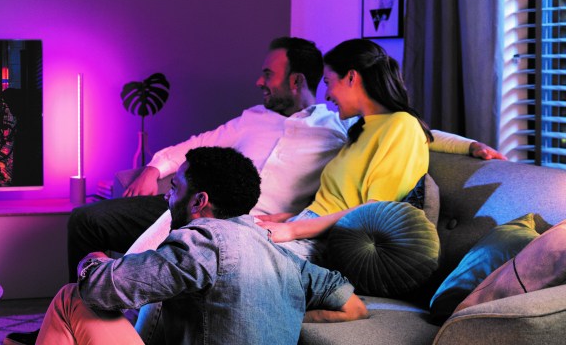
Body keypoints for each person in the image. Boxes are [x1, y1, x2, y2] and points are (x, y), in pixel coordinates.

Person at [65, 37, 504, 281]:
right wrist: (153, 168)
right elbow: (199, 143)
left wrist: (469, 146)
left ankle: (105, 294)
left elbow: (408, 134)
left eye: (268, 74)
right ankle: (91, 300)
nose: (259, 82)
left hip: (277, 227)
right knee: (96, 222)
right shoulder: (264, 119)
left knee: (196, 250)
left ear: (296, 81)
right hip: (222, 209)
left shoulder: (341, 127)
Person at [29, 147, 368, 345]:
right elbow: (353, 307)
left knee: (72, 296)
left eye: (174, 187)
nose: (168, 195)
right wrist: (285, 310)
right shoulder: (286, 258)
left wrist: (93, 261)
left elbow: (101, 290)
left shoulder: (204, 241)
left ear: (199, 201)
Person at [257, 39, 432, 257]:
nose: (327, 95)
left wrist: (293, 229)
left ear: (351, 77)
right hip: (304, 227)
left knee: (228, 252)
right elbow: (336, 202)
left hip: (324, 242)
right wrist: (288, 218)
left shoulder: (401, 126)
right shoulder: (361, 128)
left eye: (328, 82)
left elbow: (374, 211)